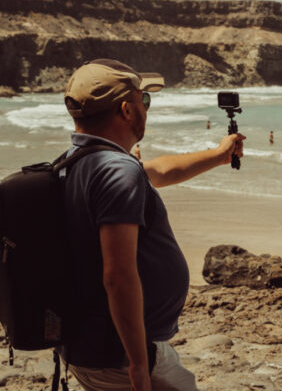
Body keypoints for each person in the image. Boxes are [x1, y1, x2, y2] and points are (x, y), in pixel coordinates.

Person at [60, 59, 245, 391]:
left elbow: (159, 170)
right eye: (143, 100)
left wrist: (219, 155)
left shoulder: (77, 163)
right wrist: (139, 364)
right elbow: (118, 277)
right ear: (127, 110)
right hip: (122, 354)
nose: (147, 108)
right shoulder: (118, 171)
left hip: (89, 346)